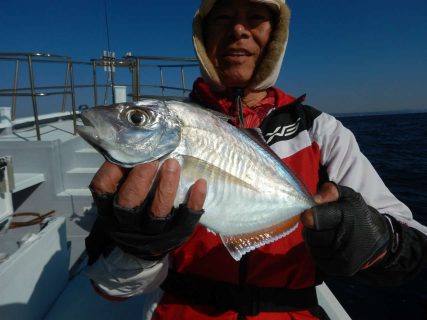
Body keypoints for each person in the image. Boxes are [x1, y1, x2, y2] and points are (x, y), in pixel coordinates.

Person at [85, 0, 427, 319]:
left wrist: (370, 237)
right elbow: (110, 288)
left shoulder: (320, 131)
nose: (238, 31)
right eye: (223, 18)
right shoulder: (150, 150)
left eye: (255, 18)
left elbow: (410, 251)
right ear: (203, 38)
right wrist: (140, 249)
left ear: (275, 37)